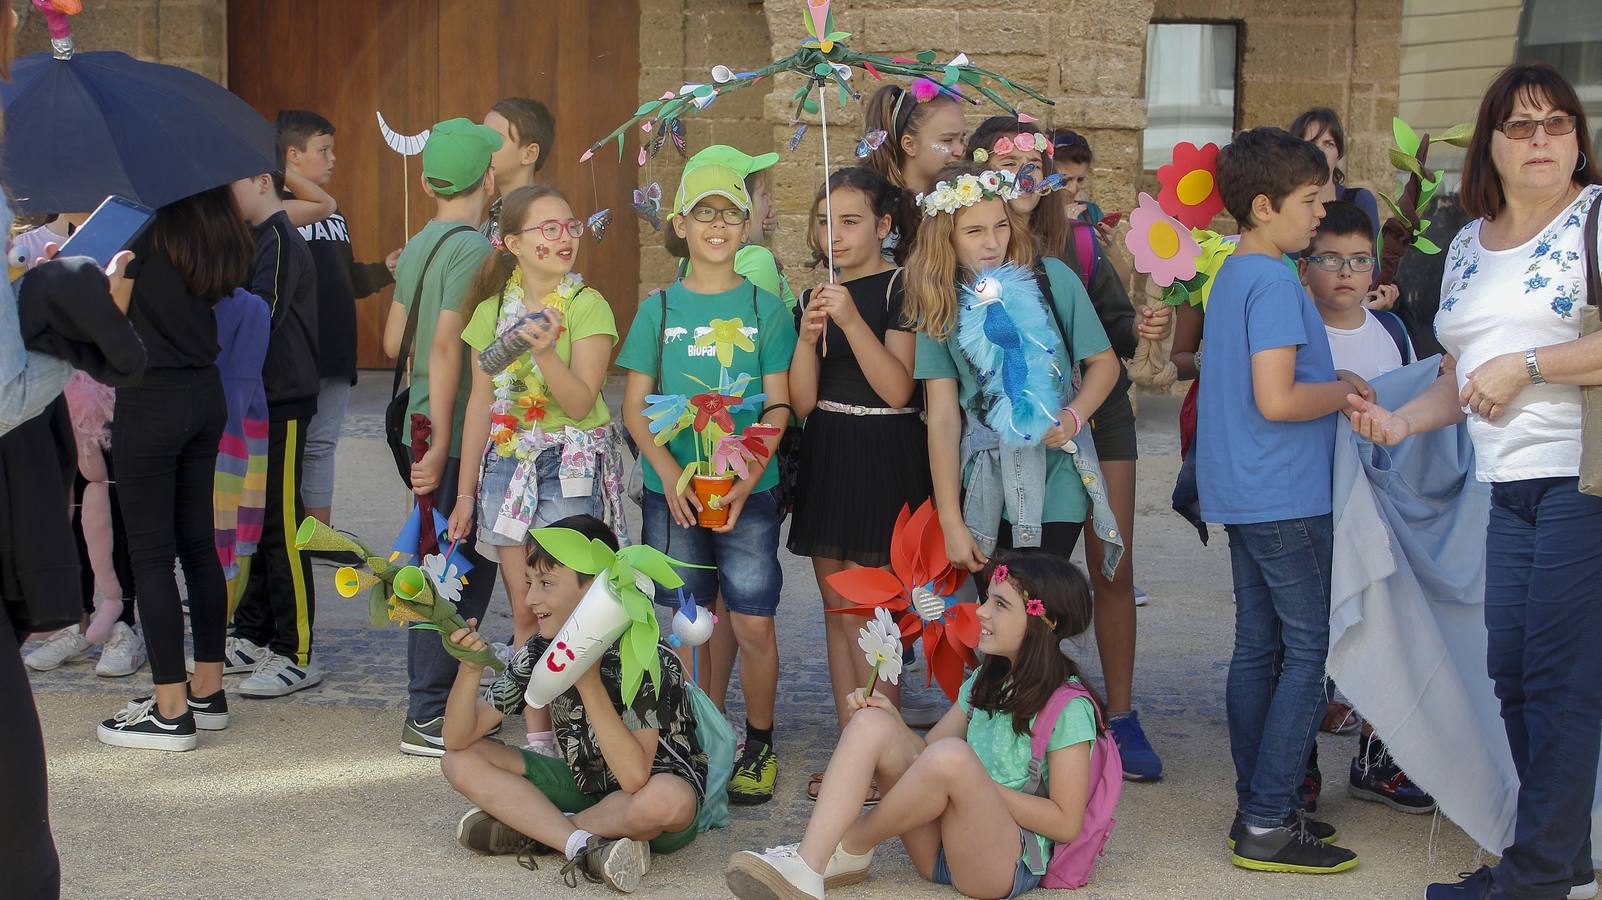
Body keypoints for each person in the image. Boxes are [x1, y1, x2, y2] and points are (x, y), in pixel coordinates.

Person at [1345, 63, 1602, 900]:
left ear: (1579, 140)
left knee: (1560, 677)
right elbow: (1460, 373)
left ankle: (1532, 878)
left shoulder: (1596, 220)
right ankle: (1557, 853)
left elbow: (1506, 368)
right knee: (1516, 672)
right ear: (1490, 140)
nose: (1541, 140)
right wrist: (1402, 422)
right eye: (1522, 125)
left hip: (1585, 480)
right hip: (1508, 486)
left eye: (1558, 124)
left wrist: (1527, 366)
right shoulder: (1465, 241)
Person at [966, 116, 1170, 781]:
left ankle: (1121, 712)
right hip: (1011, 436)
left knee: (1110, 566)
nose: (1024, 176)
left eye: (1035, 162)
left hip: (1090, 415)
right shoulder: (973, 242)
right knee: (1017, 573)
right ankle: (1008, 707)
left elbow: (1113, 342)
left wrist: (1146, 326)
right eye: (1009, 163)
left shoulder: (1075, 245)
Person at [724, 552, 1101, 900]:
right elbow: (927, 758)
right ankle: (810, 863)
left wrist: (975, 785)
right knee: (873, 721)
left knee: (953, 757)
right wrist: (892, 722)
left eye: (1000, 605)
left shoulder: (1068, 707)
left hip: (1000, 865)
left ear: (1046, 622)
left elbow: (1066, 823)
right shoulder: (988, 679)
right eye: (986, 598)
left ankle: (850, 845)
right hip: (938, 850)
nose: (981, 612)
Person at [1199, 126, 1370, 873]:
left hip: (1244, 490)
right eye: (1310, 201)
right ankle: (1269, 818)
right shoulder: (1271, 280)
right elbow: (1276, 398)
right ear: (1264, 206)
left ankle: (1261, 806)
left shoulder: (1236, 272)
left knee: (1257, 649)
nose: (1321, 213)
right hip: (1284, 493)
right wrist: (1343, 391)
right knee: (1308, 650)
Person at [618, 163, 794, 805]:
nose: (718, 226)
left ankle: (760, 743)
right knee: (690, 620)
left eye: (731, 214)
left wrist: (747, 475)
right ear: (681, 224)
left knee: (753, 623)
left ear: (748, 225)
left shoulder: (766, 309)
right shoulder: (657, 309)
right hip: (678, 496)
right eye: (705, 213)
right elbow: (636, 408)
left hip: (747, 493)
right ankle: (695, 736)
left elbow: (778, 407)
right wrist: (668, 474)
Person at [439, 515, 706, 894]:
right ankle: (580, 844)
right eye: (529, 582)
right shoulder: (537, 651)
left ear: (596, 590)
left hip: (646, 800)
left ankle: (541, 830)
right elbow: (457, 739)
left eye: (546, 583)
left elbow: (634, 778)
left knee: (668, 801)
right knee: (458, 761)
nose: (531, 599)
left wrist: (587, 678)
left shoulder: (646, 653)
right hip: (587, 784)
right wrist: (468, 670)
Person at [450, 184, 621, 749]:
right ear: (511, 242)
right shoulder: (489, 312)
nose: (563, 238)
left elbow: (578, 403)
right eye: (547, 229)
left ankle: (588, 736)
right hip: (507, 463)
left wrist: (545, 350)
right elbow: (480, 404)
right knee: (528, 609)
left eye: (570, 226)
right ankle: (539, 741)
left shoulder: (588, 305)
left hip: (568, 460)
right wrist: (466, 494)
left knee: (573, 610)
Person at [95, 186, 255, 751]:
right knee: (198, 545)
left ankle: (168, 709)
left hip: (151, 397)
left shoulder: (144, 231)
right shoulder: (215, 230)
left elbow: (109, 320)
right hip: (202, 393)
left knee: (151, 555)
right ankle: (207, 690)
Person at [906, 161, 1121, 572]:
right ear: (945, 237)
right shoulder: (938, 305)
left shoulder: (1052, 278)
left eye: (1000, 226)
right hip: (986, 482)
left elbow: (1104, 364)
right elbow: (944, 418)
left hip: (1058, 476)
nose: (992, 242)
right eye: (974, 231)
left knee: (1038, 607)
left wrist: (1074, 417)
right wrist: (950, 520)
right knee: (997, 611)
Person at [1297, 199, 1437, 817]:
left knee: (1385, 626)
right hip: (1307, 501)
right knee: (1301, 640)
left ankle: (1377, 760)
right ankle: (1295, 766)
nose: (1346, 272)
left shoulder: (1393, 332)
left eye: (1359, 259)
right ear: (1305, 265)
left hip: (1378, 505)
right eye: (1329, 258)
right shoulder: (1296, 327)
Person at [788, 168, 927, 753]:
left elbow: (899, 388)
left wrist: (849, 321)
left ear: (884, 224)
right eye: (824, 222)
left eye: (849, 221)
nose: (835, 235)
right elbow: (800, 402)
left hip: (884, 452)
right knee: (835, 608)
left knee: (876, 615)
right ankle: (854, 748)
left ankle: (886, 750)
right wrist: (805, 335)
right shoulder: (811, 296)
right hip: (829, 449)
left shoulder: (903, 288)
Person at [383, 118, 504, 757]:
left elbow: (389, 342)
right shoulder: (476, 250)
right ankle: (430, 708)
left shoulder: (424, 240)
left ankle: (443, 700)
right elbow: (444, 343)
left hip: (418, 424)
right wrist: (443, 443)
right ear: (487, 177)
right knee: (454, 567)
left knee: (438, 558)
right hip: (449, 431)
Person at [277, 109, 399, 530]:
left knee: (322, 445)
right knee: (292, 446)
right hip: (295, 354)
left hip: (334, 350)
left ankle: (318, 534)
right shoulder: (274, 211)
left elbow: (345, 280)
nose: (332, 159)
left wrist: (384, 269)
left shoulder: (333, 214)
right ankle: (286, 530)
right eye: (323, 150)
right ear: (292, 156)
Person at [225, 171, 322, 699]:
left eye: (231, 184)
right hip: (256, 400)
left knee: (284, 526)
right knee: (255, 523)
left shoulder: (281, 240)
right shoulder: (251, 238)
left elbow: (262, 315)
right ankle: (254, 632)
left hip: (283, 400)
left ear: (263, 182)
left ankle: (296, 652)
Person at [679, 146, 798, 312]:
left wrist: (759, 235)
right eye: (764, 194)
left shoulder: (688, 262)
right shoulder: (757, 260)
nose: (770, 203)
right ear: (743, 205)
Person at [861, 82, 967, 263]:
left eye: (962, 139)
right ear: (910, 145)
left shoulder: (965, 200)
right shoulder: (880, 213)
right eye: (947, 140)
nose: (959, 150)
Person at [1289, 108, 1381, 247]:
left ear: (1338, 153)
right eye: (1311, 143)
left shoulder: (1360, 200)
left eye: (1329, 144)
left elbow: (1373, 261)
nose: (1320, 151)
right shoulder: (1285, 204)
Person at [481, 96, 555, 247]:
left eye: (495, 139)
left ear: (529, 154)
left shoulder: (546, 218)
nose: (484, 146)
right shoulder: (490, 218)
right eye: (483, 138)